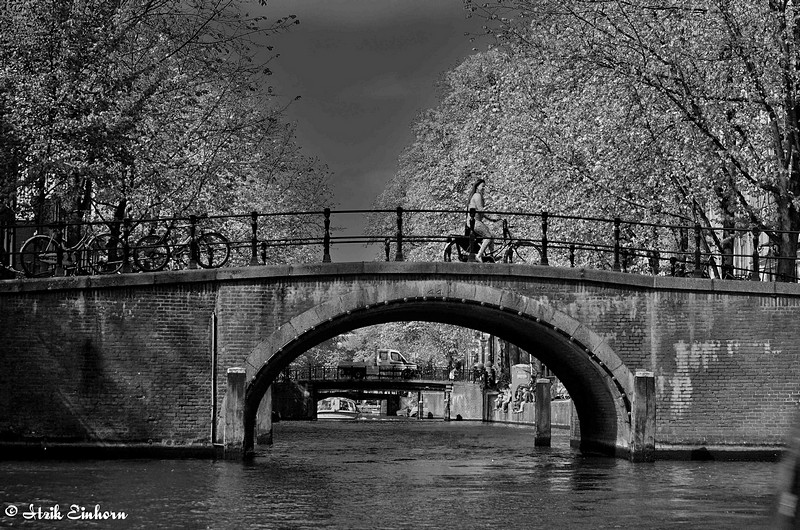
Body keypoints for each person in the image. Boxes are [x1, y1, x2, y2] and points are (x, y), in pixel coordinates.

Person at [465, 177, 500, 261]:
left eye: (484, 186)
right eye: (482, 186)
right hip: (475, 222)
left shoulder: (476, 195)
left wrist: (491, 219)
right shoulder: (477, 196)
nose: (484, 188)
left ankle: (492, 255)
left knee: (491, 235)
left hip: (475, 221)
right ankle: (479, 255)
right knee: (488, 236)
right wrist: (492, 218)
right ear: (477, 186)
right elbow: (481, 210)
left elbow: (481, 212)